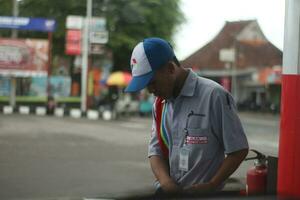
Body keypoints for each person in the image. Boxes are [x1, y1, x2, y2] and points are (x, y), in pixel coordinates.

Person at [124, 37, 249, 195]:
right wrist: (166, 183)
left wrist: (212, 185)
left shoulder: (214, 96)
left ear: (170, 68)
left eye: (152, 82)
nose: (150, 90)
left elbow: (238, 149)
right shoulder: (160, 104)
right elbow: (155, 151)